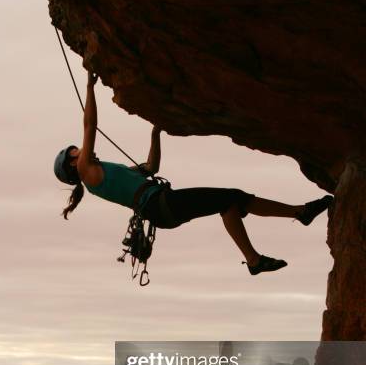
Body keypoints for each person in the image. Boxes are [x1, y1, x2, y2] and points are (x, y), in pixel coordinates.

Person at [54, 71, 333, 275]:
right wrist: (89, 87)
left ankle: (298, 214)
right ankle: (255, 258)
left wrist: (155, 133)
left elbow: (151, 167)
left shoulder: (105, 172)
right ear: (72, 164)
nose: (79, 149)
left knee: (235, 199)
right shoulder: (87, 173)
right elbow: (90, 125)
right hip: (161, 205)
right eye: (74, 151)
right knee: (228, 199)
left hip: (162, 205)